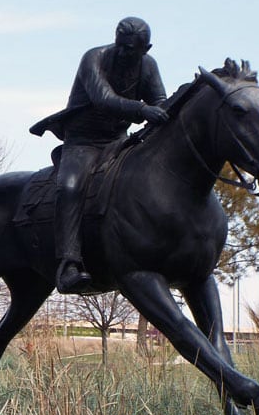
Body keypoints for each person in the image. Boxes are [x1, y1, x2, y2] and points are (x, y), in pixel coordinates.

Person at [29, 17, 168, 293]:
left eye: (131, 49)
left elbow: (160, 102)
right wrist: (142, 110)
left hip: (118, 141)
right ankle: (68, 263)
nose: (124, 53)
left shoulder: (148, 67)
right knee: (69, 187)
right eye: (121, 46)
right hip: (82, 141)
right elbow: (102, 98)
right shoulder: (94, 58)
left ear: (146, 48)